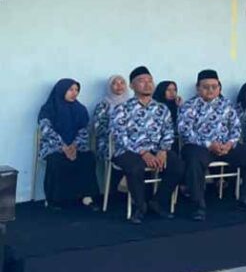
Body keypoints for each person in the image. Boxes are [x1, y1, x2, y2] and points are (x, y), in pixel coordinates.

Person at [179, 69, 246, 221]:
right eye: (206, 87)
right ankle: (198, 205)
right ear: (198, 88)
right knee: (193, 159)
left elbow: (236, 127)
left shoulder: (227, 105)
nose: (210, 90)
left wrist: (230, 143)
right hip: (200, 146)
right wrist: (208, 144)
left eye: (214, 86)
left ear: (219, 88)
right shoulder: (189, 106)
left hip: (225, 146)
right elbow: (185, 131)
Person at [111, 67, 184, 224]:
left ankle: (158, 202)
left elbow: (168, 132)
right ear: (132, 86)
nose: (147, 84)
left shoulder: (162, 109)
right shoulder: (122, 108)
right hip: (128, 150)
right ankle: (140, 207)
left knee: (177, 165)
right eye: (141, 81)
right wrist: (143, 152)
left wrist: (163, 150)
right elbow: (120, 135)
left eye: (150, 81)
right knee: (135, 167)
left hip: (156, 149)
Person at [38, 79, 100, 209]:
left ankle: (86, 196)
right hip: (54, 146)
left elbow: (84, 130)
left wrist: (74, 146)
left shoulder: (80, 109)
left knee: (88, 158)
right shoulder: (49, 108)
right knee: (55, 160)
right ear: (61, 90)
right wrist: (63, 147)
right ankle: (53, 199)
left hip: (76, 147)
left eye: (77, 90)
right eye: (71, 90)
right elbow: (46, 130)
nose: (74, 93)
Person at [93, 75, 130, 160]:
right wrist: (116, 132)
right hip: (109, 143)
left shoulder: (131, 104)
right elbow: (98, 128)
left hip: (132, 142)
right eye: (115, 83)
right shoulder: (103, 105)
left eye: (122, 83)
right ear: (109, 87)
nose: (119, 86)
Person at [153, 80, 182, 153]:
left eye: (174, 90)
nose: (172, 93)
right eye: (168, 90)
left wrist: (180, 107)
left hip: (173, 140)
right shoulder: (154, 107)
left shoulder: (176, 106)